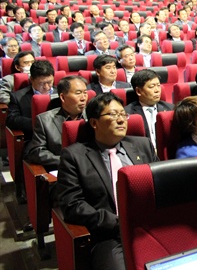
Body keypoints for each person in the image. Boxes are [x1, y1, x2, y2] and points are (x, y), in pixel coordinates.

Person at [56, 93, 158, 270]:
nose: (121, 120)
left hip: (152, 227)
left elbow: (160, 185)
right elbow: (72, 205)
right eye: (113, 115)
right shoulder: (74, 156)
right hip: (109, 235)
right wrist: (118, 223)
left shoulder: (142, 145)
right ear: (94, 123)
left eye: (123, 114)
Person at [25, 76, 88, 170]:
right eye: (78, 93)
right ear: (62, 97)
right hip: (61, 170)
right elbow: (37, 151)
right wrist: (65, 162)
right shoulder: (44, 120)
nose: (83, 98)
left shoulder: (93, 116)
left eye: (85, 93)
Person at [7, 60, 55, 141]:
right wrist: (38, 123)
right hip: (34, 139)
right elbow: (11, 120)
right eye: (41, 83)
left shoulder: (61, 93)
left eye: (49, 82)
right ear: (31, 79)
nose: (46, 87)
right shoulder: (18, 97)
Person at [124, 70, 174, 148]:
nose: (157, 90)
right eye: (152, 86)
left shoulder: (171, 109)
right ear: (138, 91)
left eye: (158, 85)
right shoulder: (128, 113)